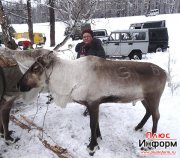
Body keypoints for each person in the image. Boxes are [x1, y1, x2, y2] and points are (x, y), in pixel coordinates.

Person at [75, 29, 106, 116]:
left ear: (92, 37)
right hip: (83, 72)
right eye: (84, 37)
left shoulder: (97, 46)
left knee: (92, 92)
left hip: (94, 73)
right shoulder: (81, 46)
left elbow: (102, 59)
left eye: (88, 36)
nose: (86, 38)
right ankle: (89, 106)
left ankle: (92, 107)